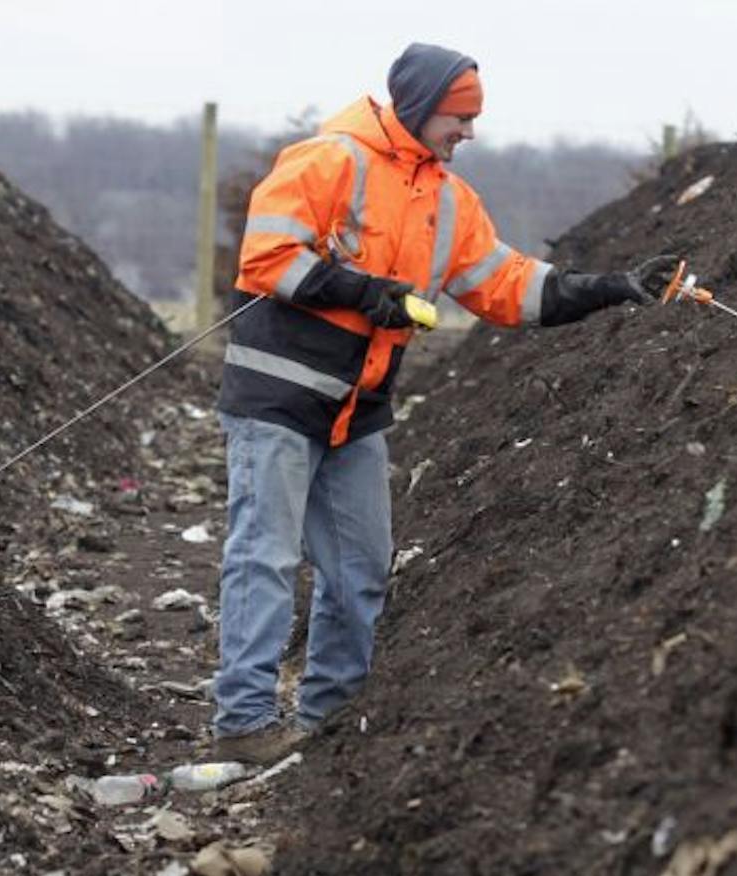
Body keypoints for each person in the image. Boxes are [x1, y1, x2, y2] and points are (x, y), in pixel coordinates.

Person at [209, 41, 678, 763]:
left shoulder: (449, 202)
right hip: (279, 392)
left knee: (360, 569)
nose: (469, 132)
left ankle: (329, 721)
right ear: (421, 107)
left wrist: (613, 287)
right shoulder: (329, 159)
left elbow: (511, 286)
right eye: (459, 117)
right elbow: (266, 255)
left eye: (473, 118)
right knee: (265, 557)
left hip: (356, 408)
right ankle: (242, 725)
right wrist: (366, 292)